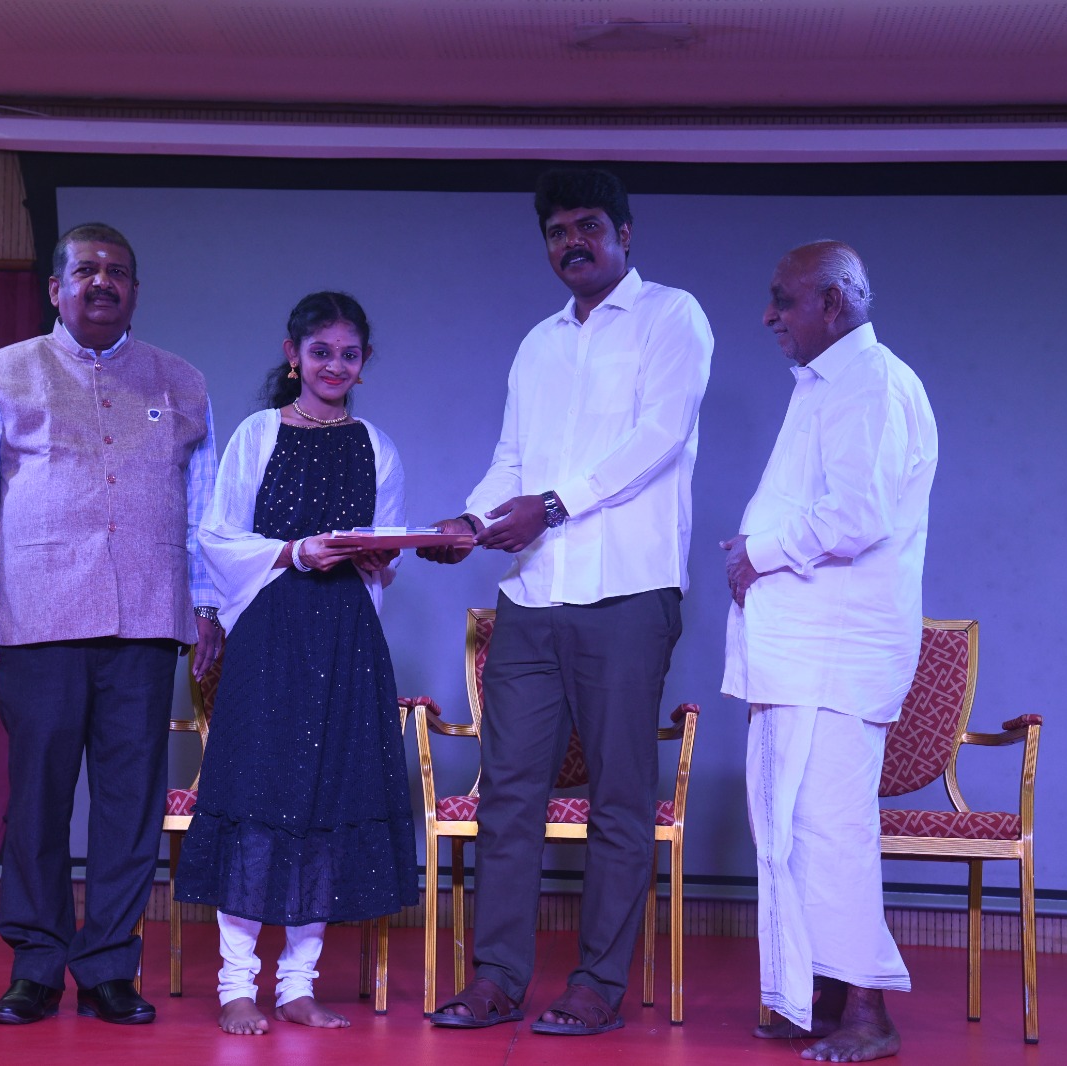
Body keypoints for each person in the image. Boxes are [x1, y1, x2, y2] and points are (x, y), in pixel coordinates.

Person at [420, 168, 713, 1035]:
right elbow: (511, 459)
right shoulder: (538, 343)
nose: (572, 242)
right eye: (557, 232)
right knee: (509, 793)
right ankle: (497, 979)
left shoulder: (672, 316)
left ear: (625, 233)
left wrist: (551, 506)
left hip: (626, 592)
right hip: (532, 593)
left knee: (620, 797)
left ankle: (596, 986)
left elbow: (658, 438)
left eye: (589, 225)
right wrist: (471, 522)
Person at [0, 222, 224, 1026]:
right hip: (40, 615)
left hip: (147, 619)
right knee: (39, 798)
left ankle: (108, 969)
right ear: (56, 288)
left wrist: (207, 604)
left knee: (130, 803)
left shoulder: (182, 381)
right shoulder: (7, 373)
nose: (103, 282)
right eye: (87, 270)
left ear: (135, 290)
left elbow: (204, 507)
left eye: (118, 272)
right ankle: (36, 964)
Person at [174, 292, 419, 1037]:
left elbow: (384, 555)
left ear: (364, 364)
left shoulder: (378, 447)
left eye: (349, 354)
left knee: (327, 804)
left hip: (346, 640)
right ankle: (236, 985)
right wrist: (295, 552)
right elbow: (218, 537)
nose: (334, 366)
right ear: (293, 356)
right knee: (256, 801)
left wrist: (379, 556)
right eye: (321, 352)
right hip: (272, 632)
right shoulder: (258, 434)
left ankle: (298, 985)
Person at [720, 241, 938, 1062]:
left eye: (783, 299)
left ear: (833, 304)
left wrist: (759, 552)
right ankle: (819, 993)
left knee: (831, 829)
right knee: (792, 826)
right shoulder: (828, 383)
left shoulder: (871, 382)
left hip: (837, 653)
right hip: (803, 653)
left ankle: (868, 1013)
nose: (769, 316)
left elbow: (856, 516)